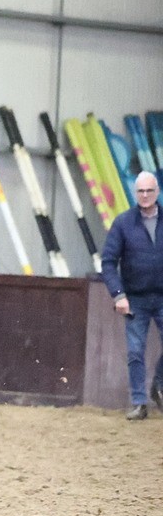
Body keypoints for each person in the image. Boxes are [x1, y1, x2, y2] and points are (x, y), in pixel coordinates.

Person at [100, 170, 163, 420]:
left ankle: (158, 382)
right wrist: (118, 295)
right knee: (135, 351)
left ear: (157, 192)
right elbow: (108, 262)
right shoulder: (123, 223)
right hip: (134, 298)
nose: (145, 195)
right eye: (141, 191)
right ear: (135, 193)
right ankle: (139, 403)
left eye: (149, 190)